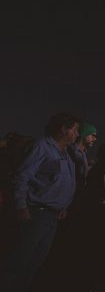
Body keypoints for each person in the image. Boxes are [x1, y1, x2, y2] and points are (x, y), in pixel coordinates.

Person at [1, 113, 80, 292]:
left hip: (52, 217)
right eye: (75, 129)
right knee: (18, 262)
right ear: (63, 129)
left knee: (33, 264)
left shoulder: (66, 153)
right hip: (36, 214)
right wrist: (21, 206)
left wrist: (63, 206)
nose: (77, 134)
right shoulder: (42, 147)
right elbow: (23, 177)